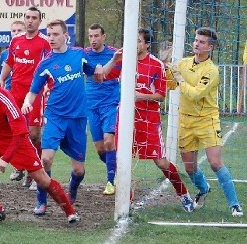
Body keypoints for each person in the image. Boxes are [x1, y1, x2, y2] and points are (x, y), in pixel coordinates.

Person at [0, 64, 79, 225]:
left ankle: (71, 213)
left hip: (16, 140)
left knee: (43, 180)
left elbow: (20, 133)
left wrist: (5, 159)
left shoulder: (5, 99)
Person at [104, 29, 196, 212]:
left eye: (138, 41)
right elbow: (103, 75)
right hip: (126, 117)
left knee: (161, 162)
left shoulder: (155, 65)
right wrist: (114, 59)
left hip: (148, 119)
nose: (134, 44)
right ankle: (125, 202)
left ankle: (184, 194)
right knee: (123, 159)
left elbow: (161, 96)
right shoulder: (124, 59)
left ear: (146, 44)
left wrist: (140, 96)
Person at [22, 19, 102, 215]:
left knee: (79, 171)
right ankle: (41, 200)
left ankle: (72, 191)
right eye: (49, 34)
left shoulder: (79, 55)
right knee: (46, 159)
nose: (51, 38)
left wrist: (101, 67)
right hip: (55, 117)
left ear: (66, 36)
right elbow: (33, 90)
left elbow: (96, 72)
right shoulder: (45, 63)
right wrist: (27, 102)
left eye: (56, 34)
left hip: (77, 119)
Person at [168, 27, 244, 217]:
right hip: (185, 121)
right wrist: (166, 67)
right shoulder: (184, 63)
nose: (196, 44)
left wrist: (177, 77)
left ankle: (234, 205)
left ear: (210, 48)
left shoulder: (212, 71)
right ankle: (204, 189)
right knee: (189, 167)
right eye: (196, 40)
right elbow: (170, 85)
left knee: (215, 162)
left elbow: (194, 95)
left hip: (207, 120)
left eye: (202, 42)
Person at [0, 7, 51, 187]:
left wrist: (49, 87)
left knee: (34, 134)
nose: (30, 21)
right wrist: (1, 79)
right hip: (16, 92)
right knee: (15, 130)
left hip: (34, 93)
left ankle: (36, 171)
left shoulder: (44, 42)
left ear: (39, 21)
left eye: (34, 18)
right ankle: (21, 167)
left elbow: (51, 65)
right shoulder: (16, 41)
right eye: (27, 17)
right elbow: (10, 62)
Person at [84, 23, 120, 195]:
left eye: (96, 36)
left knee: (108, 141)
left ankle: (110, 181)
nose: (93, 40)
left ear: (104, 37)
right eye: (90, 36)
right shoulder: (85, 55)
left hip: (110, 103)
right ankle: (117, 171)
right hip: (91, 105)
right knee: (99, 148)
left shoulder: (115, 54)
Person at [0, 20, 25, 91]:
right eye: (14, 31)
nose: (16, 33)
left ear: (25, 32)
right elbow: (0, 74)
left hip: (24, 91)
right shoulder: (4, 54)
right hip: (8, 91)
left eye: (19, 30)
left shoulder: (30, 51)